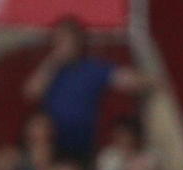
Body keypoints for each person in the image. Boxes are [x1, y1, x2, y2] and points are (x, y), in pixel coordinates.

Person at [23, 17, 149, 162]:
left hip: (81, 145)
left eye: (68, 39)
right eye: (60, 40)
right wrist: (54, 61)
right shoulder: (50, 69)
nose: (64, 45)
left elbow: (125, 79)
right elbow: (31, 92)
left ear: (79, 41)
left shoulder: (93, 68)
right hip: (50, 145)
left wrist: (154, 81)